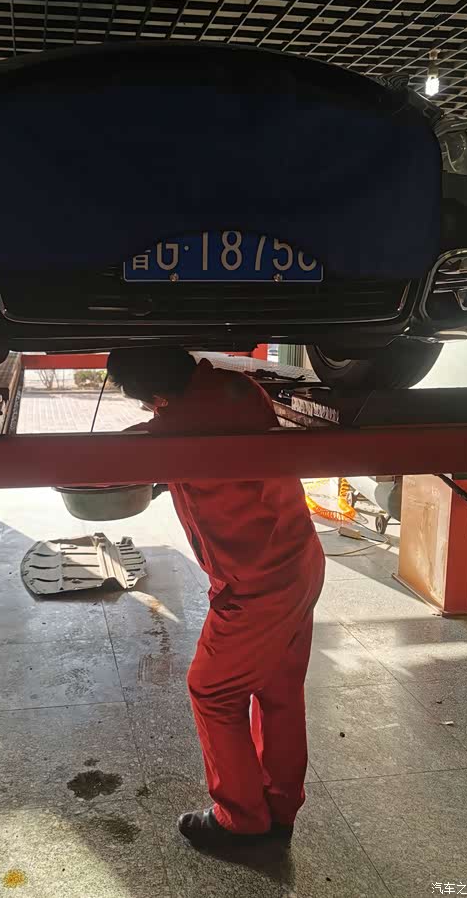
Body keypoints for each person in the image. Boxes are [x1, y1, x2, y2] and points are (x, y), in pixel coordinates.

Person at [107, 347, 325, 849]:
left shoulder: (173, 430)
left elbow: (102, 466)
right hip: (298, 563)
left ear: (158, 395)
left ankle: (240, 819)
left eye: (148, 402)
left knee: (213, 691)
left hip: (256, 586)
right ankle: (280, 806)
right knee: (278, 692)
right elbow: (223, 460)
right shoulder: (237, 388)